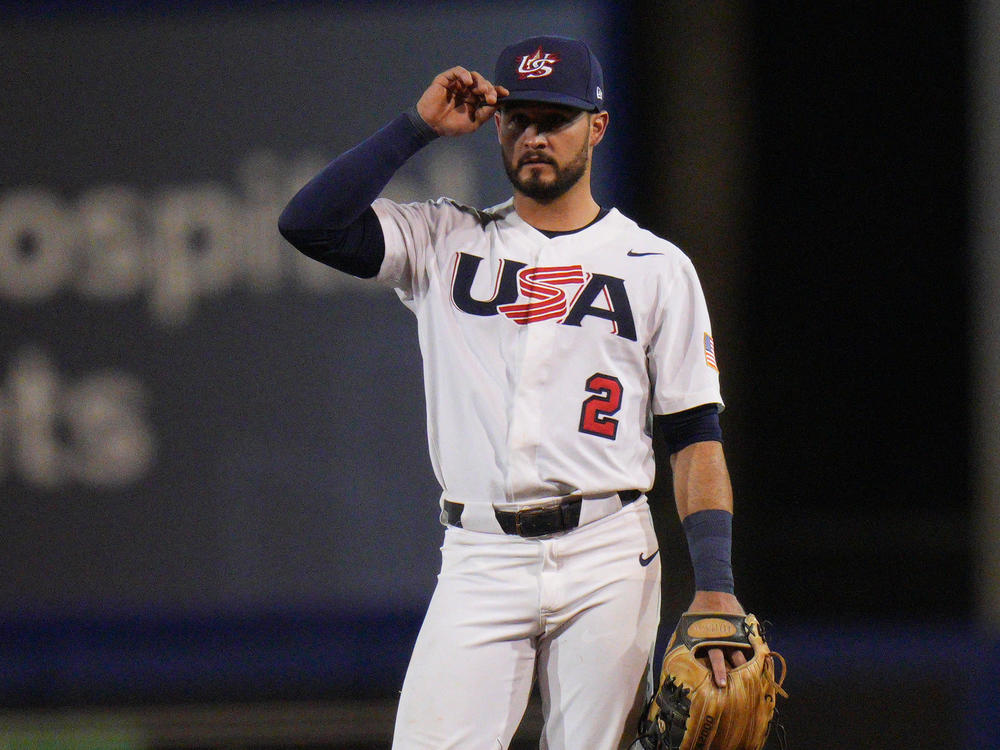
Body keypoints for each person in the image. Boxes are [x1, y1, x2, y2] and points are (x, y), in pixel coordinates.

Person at [279, 35, 746, 750]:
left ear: (597, 125)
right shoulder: (444, 237)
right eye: (518, 117)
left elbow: (693, 438)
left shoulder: (657, 267)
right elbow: (308, 224)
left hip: (608, 552)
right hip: (480, 554)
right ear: (495, 121)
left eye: (554, 118)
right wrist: (418, 127)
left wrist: (715, 583)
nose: (534, 136)